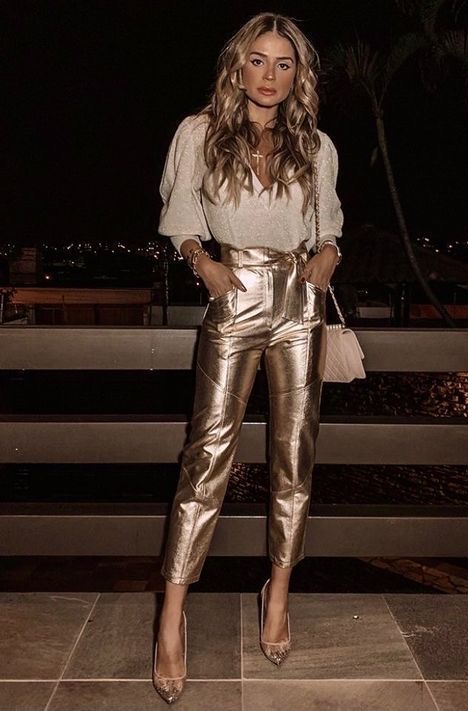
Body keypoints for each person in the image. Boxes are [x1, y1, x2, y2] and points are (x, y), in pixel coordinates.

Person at [153, 11, 343, 703]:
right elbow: (180, 212)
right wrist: (201, 261)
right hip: (233, 297)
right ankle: (171, 615)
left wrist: (329, 252)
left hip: (299, 302)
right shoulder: (198, 132)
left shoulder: (315, 144)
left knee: (295, 453)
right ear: (238, 66)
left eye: (284, 64)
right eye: (258, 60)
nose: (270, 75)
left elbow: (328, 223)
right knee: (206, 456)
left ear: (298, 76)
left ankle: (278, 594)